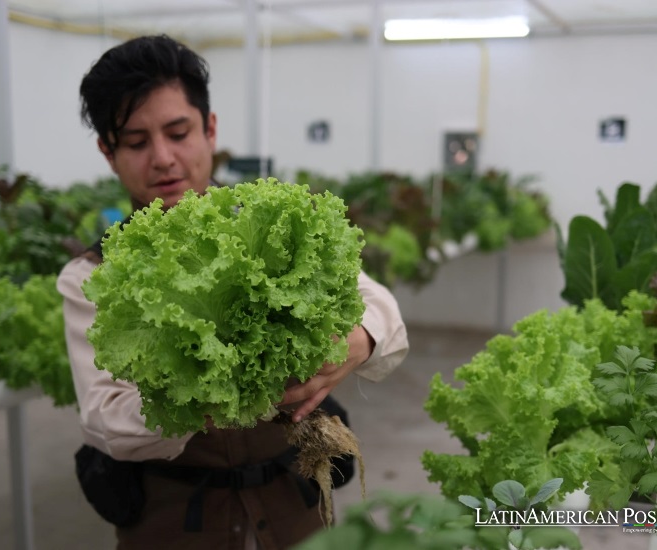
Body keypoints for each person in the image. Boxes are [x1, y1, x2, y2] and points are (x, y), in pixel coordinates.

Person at [57, 34, 410, 550]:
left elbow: (384, 314)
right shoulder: (93, 274)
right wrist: (200, 392)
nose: (163, 158)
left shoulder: (269, 229)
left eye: (178, 132)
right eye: (135, 142)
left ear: (210, 129)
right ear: (108, 154)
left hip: (293, 511)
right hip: (174, 523)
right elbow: (105, 418)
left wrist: (357, 342)